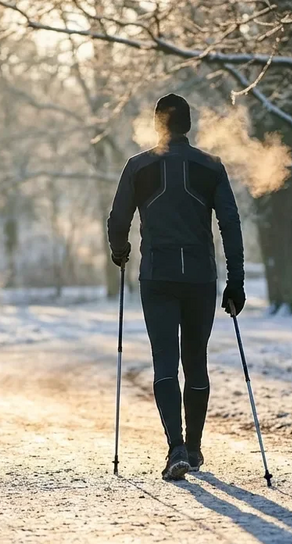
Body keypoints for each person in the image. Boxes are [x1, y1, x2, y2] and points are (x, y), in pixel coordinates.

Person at [107, 94, 246, 481]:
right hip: (201, 278)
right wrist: (236, 281)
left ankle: (176, 449)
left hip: (158, 277)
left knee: (165, 360)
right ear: (189, 125)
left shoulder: (138, 167)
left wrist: (120, 251)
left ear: (157, 125)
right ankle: (195, 447)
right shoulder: (211, 167)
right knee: (196, 360)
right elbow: (230, 224)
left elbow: (118, 220)